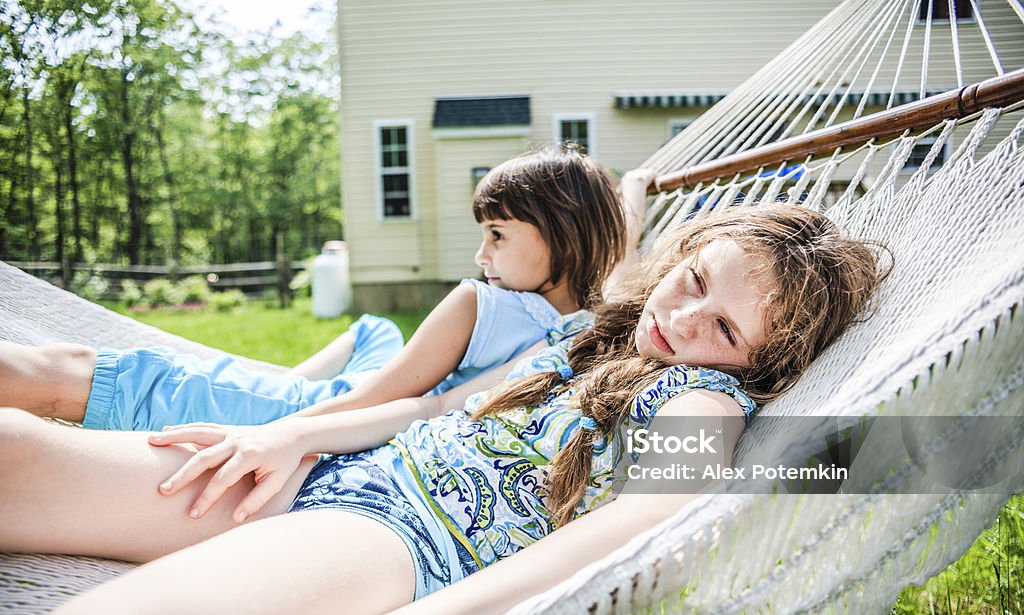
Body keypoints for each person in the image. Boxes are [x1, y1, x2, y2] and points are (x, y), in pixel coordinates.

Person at [1, 204, 885, 615]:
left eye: (722, 327)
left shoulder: (703, 402)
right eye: (691, 280)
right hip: (333, 471)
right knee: (13, 451)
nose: (681, 319)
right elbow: (436, 405)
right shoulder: (597, 332)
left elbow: (621, 537)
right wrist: (287, 433)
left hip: (394, 540)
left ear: (757, 362)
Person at [0, 146, 635, 431]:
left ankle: (270, 386)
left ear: (567, 238)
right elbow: (624, 251)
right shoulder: (590, 322)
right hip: (355, 405)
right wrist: (630, 196)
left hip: (314, 416)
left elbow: (372, 402)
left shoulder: (480, 303)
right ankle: (275, 377)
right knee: (376, 330)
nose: (480, 254)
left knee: (79, 371)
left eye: (497, 234)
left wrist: (278, 429)